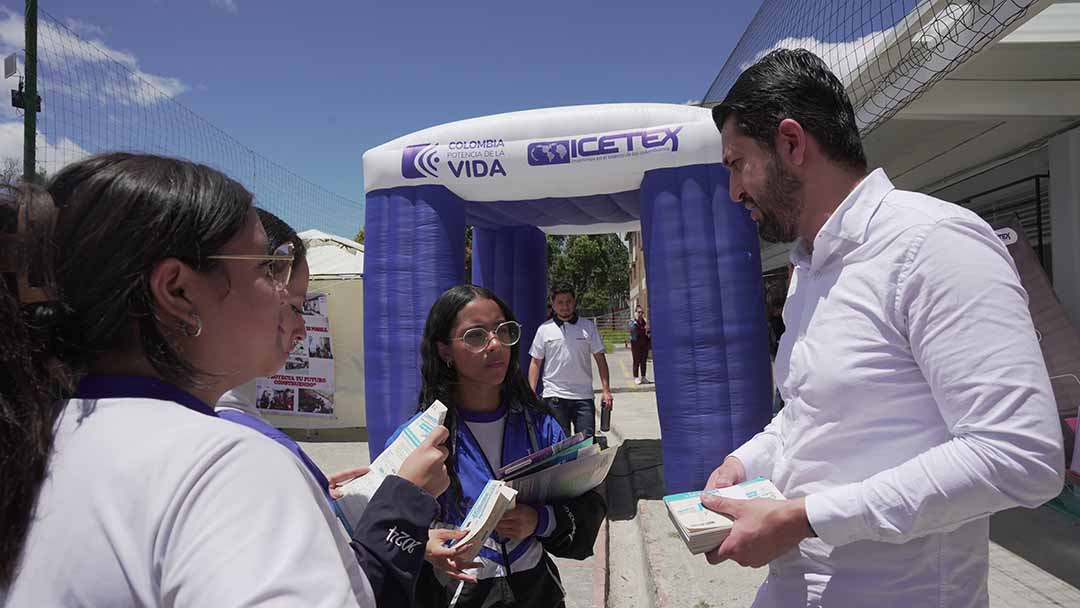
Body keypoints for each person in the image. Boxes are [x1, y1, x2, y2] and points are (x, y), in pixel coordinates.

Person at [702, 49, 1064, 607]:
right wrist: (744, 463)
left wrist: (806, 518)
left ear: (792, 144)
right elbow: (808, 415)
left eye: (736, 164)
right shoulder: (809, 269)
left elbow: (1020, 456)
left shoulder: (933, 243)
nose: (733, 192)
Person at [0, 153, 441, 607]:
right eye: (270, 266)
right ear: (178, 291)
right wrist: (398, 507)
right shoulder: (225, 464)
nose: (290, 302)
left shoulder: (37, 432)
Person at [215, 208, 455, 607]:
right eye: (292, 306)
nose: (302, 327)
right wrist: (406, 499)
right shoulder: (230, 442)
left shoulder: (225, 420)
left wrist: (317, 501)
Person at [395, 284, 606, 608]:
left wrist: (540, 521)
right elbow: (383, 529)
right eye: (476, 336)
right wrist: (423, 546)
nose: (495, 344)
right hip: (456, 595)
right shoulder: (421, 437)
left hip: (536, 593)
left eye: (503, 331)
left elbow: (587, 507)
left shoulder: (540, 425)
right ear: (444, 350)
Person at [527, 283, 613, 437]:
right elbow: (535, 362)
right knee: (560, 446)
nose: (565, 306)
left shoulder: (588, 327)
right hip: (554, 397)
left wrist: (606, 390)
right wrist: (532, 391)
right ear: (553, 305)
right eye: (560, 302)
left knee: (586, 444)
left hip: (583, 397)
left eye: (568, 302)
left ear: (574, 302)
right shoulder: (544, 330)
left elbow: (600, 359)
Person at [627, 305, 651, 384]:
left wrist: (648, 329)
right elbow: (632, 330)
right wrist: (636, 321)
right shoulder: (632, 322)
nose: (640, 314)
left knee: (643, 361)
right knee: (636, 360)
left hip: (644, 344)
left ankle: (643, 376)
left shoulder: (644, 322)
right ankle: (636, 377)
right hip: (636, 344)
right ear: (635, 313)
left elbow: (648, 332)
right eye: (639, 312)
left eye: (642, 312)